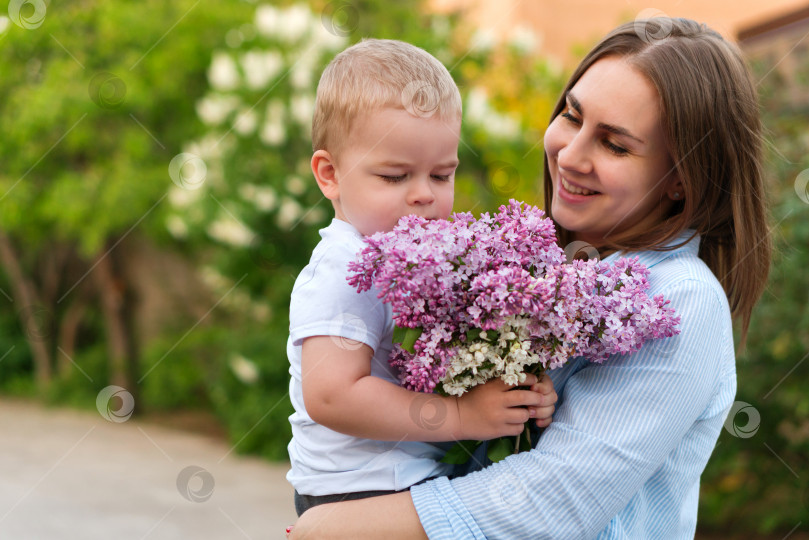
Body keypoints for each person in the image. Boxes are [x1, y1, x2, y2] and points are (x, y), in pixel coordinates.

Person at [289, 17, 771, 539]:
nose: (569, 153)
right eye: (572, 115)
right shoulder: (552, 266)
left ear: (681, 179)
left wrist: (337, 528)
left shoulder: (680, 300)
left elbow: (549, 501)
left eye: (615, 144)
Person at [286, 38, 558, 518]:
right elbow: (331, 395)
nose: (423, 196)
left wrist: (517, 390)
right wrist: (463, 417)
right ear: (329, 174)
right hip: (357, 496)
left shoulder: (428, 260)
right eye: (394, 176)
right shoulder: (345, 267)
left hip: (413, 483)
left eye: (441, 175)